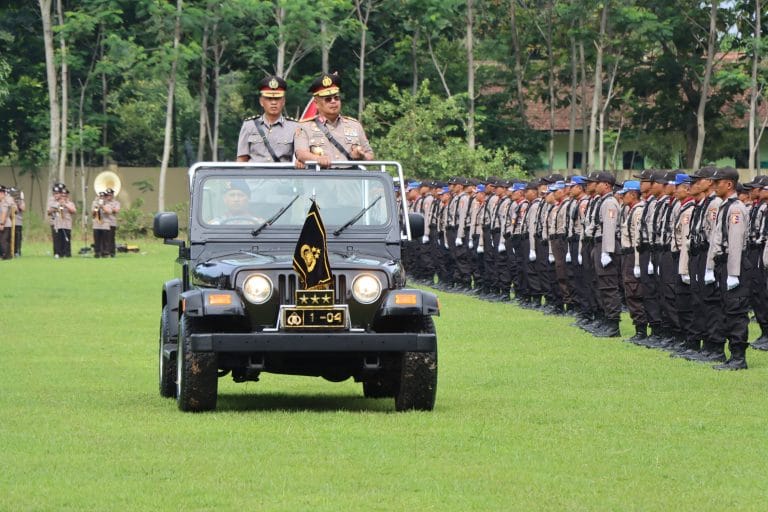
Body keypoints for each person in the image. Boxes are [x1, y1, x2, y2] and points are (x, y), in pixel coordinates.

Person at [704, 167, 750, 370]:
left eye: (718, 182)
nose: (714, 186)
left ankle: (739, 357)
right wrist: (711, 266)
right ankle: (731, 354)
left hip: (735, 265)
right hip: (723, 264)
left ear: (729, 184)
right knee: (725, 308)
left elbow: (735, 242)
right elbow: (716, 239)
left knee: (735, 311)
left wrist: (733, 273)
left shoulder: (736, 208)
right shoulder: (725, 206)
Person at [294, 73, 374, 168]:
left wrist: (361, 156)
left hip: (351, 179)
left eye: (336, 98)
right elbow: (301, 153)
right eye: (328, 99)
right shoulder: (305, 127)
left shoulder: (354, 125)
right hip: (321, 178)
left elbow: (370, 155)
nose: (333, 101)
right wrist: (317, 159)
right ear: (316, 103)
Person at [236, 75, 300, 164]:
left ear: (283, 101)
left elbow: (299, 157)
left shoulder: (294, 127)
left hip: (281, 176)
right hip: (254, 176)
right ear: (261, 101)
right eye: (269, 98)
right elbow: (242, 159)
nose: (273, 102)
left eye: (277, 98)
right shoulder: (249, 125)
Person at [48, 184, 76, 258]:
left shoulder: (69, 202)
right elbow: (49, 211)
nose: (62, 196)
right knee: (57, 239)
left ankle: (67, 253)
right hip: (57, 224)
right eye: (55, 193)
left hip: (66, 224)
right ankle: (58, 253)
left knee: (66, 240)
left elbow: (73, 211)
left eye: (64, 194)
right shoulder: (53, 201)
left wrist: (65, 204)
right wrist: (57, 206)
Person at [91, 191, 112, 258]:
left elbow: (109, 212)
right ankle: (97, 252)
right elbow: (93, 214)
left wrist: (102, 206)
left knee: (105, 240)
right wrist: (96, 208)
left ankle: (105, 252)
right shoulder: (95, 203)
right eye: (100, 197)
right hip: (96, 224)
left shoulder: (108, 204)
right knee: (97, 240)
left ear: (105, 197)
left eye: (103, 197)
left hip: (105, 224)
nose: (102, 198)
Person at [103, 188, 121, 257]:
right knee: (104, 238)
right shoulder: (103, 202)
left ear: (113, 195)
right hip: (103, 223)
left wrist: (108, 209)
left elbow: (116, 210)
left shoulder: (116, 203)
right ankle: (105, 252)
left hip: (111, 222)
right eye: (107, 195)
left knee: (111, 238)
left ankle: (112, 252)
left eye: (110, 195)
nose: (108, 196)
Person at [8, 187, 25, 257]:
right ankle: (9, 251)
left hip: (18, 222)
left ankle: (17, 251)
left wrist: (19, 202)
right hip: (9, 223)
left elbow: (23, 208)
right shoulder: (8, 201)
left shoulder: (20, 201)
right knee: (8, 237)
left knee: (18, 238)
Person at [0, 185, 16, 259]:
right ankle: (4, 255)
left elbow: (4, 213)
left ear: (2, 193)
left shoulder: (5, 201)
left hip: (5, 225)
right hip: (3, 223)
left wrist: (2, 223)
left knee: (4, 241)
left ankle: (6, 256)